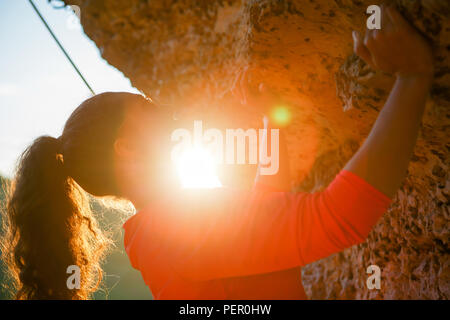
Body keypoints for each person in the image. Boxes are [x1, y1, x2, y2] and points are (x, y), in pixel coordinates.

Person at [1, 6, 433, 299]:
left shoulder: (161, 232)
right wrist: (412, 77)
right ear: (128, 148)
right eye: (149, 110)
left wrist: (269, 127)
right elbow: (339, 218)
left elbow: (265, 232)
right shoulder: (173, 231)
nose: (168, 115)